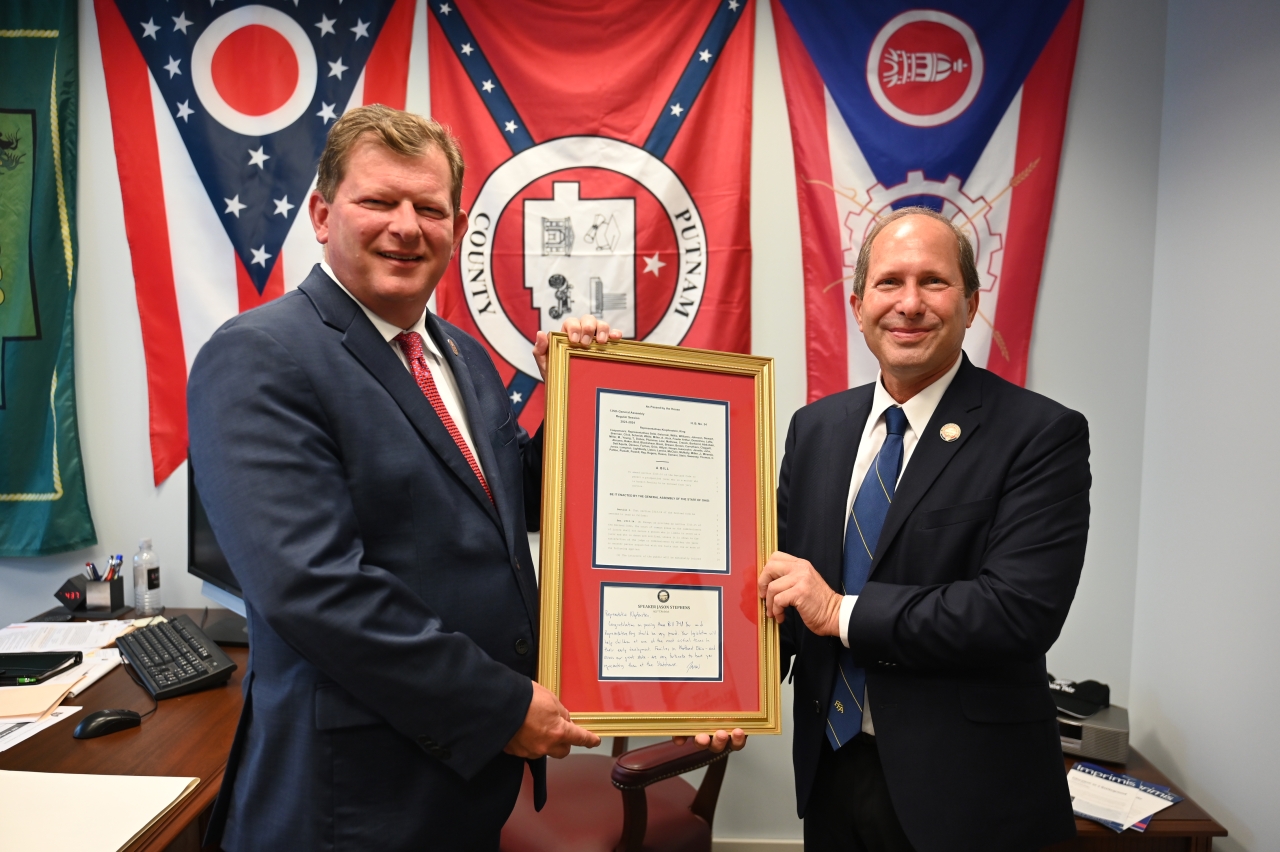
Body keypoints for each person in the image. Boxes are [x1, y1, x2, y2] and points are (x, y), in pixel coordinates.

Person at [189, 105, 619, 851]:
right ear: (323, 215)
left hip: (463, 782)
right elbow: (314, 585)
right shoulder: (260, 354)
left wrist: (582, 395)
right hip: (354, 797)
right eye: (378, 201)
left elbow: (514, 495)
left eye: (429, 207)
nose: (407, 226)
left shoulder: (462, 355)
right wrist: (501, 705)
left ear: (455, 226)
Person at [758, 207, 1090, 852]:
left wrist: (840, 611)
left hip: (969, 796)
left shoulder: (1039, 434)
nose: (908, 304)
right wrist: (718, 690)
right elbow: (781, 591)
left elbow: (1016, 610)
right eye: (889, 283)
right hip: (830, 772)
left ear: (969, 302)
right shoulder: (814, 428)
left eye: (933, 282)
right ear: (858, 305)